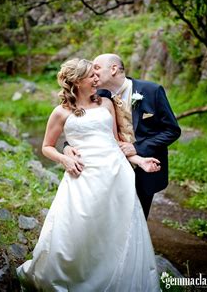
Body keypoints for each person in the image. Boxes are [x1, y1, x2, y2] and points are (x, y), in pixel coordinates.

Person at [17, 58, 160, 291]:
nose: (97, 79)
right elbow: (46, 146)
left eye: (97, 74)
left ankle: (117, 279)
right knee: (79, 230)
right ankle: (76, 277)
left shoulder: (106, 103)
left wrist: (139, 160)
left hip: (116, 176)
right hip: (83, 177)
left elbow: (116, 142)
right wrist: (65, 157)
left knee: (116, 229)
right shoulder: (61, 112)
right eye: (91, 76)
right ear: (76, 81)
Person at [64, 53, 181, 219]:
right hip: (108, 170)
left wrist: (136, 148)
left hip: (144, 168)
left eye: (97, 67)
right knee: (109, 219)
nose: (94, 73)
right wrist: (67, 147)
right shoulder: (98, 96)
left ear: (113, 69)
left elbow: (172, 130)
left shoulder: (151, 91)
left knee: (138, 222)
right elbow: (81, 128)